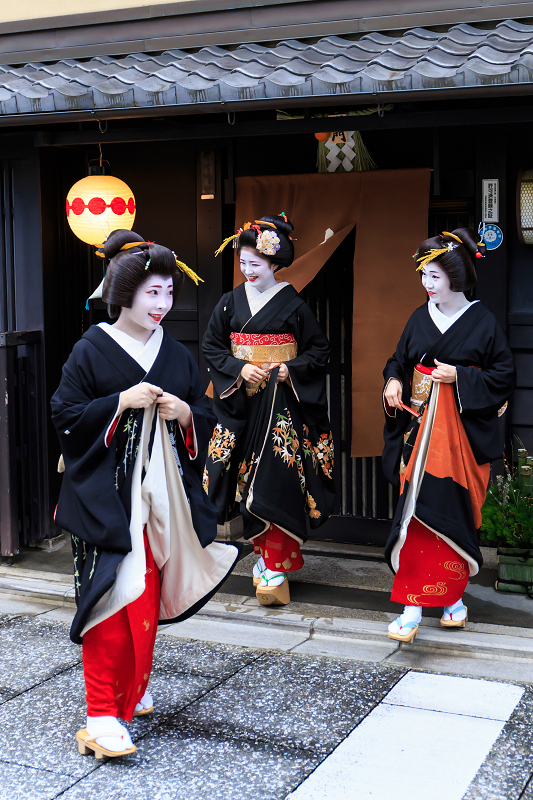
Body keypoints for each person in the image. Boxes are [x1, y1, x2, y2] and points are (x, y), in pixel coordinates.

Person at [51, 229, 239, 758]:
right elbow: (64, 416)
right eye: (151, 293)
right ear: (123, 294)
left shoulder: (175, 355)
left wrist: (185, 415)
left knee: (145, 596)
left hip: (160, 500)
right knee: (111, 595)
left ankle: (129, 689)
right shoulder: (90, 349)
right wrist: (120, 401)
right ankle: (101, 713)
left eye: (168, 293)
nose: (162, 304)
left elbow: (204, 416)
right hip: (109, 499)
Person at [382, 228, 515, 643]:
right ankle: (413, 605)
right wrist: (392, 381)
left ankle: (453, 600)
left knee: (451, 514)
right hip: (419, 436)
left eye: (434, 277)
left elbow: (504, 375)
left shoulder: (483, 322)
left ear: (456, 277)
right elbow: (398, 360)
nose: (426, 284)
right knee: (417, 514)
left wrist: (460, 376)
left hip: (458, 439)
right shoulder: (419, 317)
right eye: (423, 276)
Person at [202, 214, 335, 606]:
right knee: (243, 475)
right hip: (243, 401)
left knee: (277, 474)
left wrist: (288, 370)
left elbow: (319, 351)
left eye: (255, 265)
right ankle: (265, 560)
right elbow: (212, 346)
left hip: (281, 404)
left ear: (274, 264)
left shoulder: (294, 305)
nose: (248, 271)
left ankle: (274, 567)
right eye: (243, 264)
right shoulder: (229, 303)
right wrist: (239, 367)